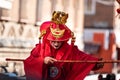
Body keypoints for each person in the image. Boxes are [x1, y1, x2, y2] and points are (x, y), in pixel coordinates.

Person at [23, 11, 104, 80]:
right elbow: (29, 62)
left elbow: (83, 59)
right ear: (48, 39)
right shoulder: (39, 49)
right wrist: (43, 61)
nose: (56, 44)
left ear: (64, 40)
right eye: (53, 41)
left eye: (59, 41)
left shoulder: (70, 50)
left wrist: (95, 62)